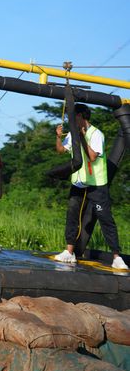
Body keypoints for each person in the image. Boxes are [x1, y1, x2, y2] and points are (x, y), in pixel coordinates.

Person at [54, 103, 128, 270]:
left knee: (105, 218)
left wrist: (81, 137)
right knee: (72, 215)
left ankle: (117, 257)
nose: (70, 121)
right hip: (78, 183)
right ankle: (69, 252)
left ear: (80, 116)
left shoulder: (96, 134)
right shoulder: (72, 133)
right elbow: (60, 150)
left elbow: (92, 157)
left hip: (96, 184)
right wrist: (58, 137)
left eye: (73, 117)